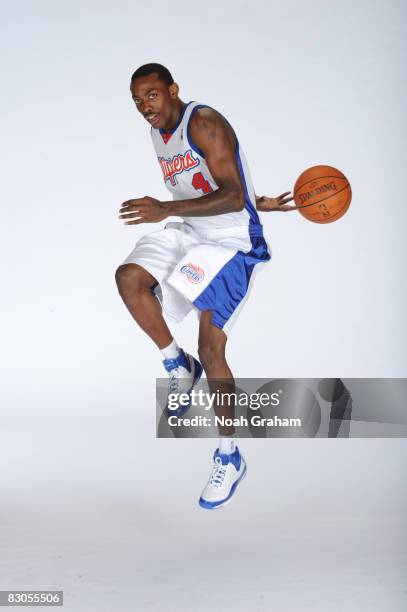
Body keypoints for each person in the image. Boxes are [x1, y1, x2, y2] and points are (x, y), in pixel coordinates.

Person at [115, 63, 296, 510]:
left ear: (173, 89)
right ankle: (177, 365)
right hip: (191, 229)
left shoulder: (204, 122)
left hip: (233, 241)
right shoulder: (157, 132)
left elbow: (232, 195)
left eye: (152, 96)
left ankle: (228, 454)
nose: (145, 107)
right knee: (130, 279)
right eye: (137, 100)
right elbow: (212, 183)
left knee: (213, 349)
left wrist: (164, 207)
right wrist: (261, 199)